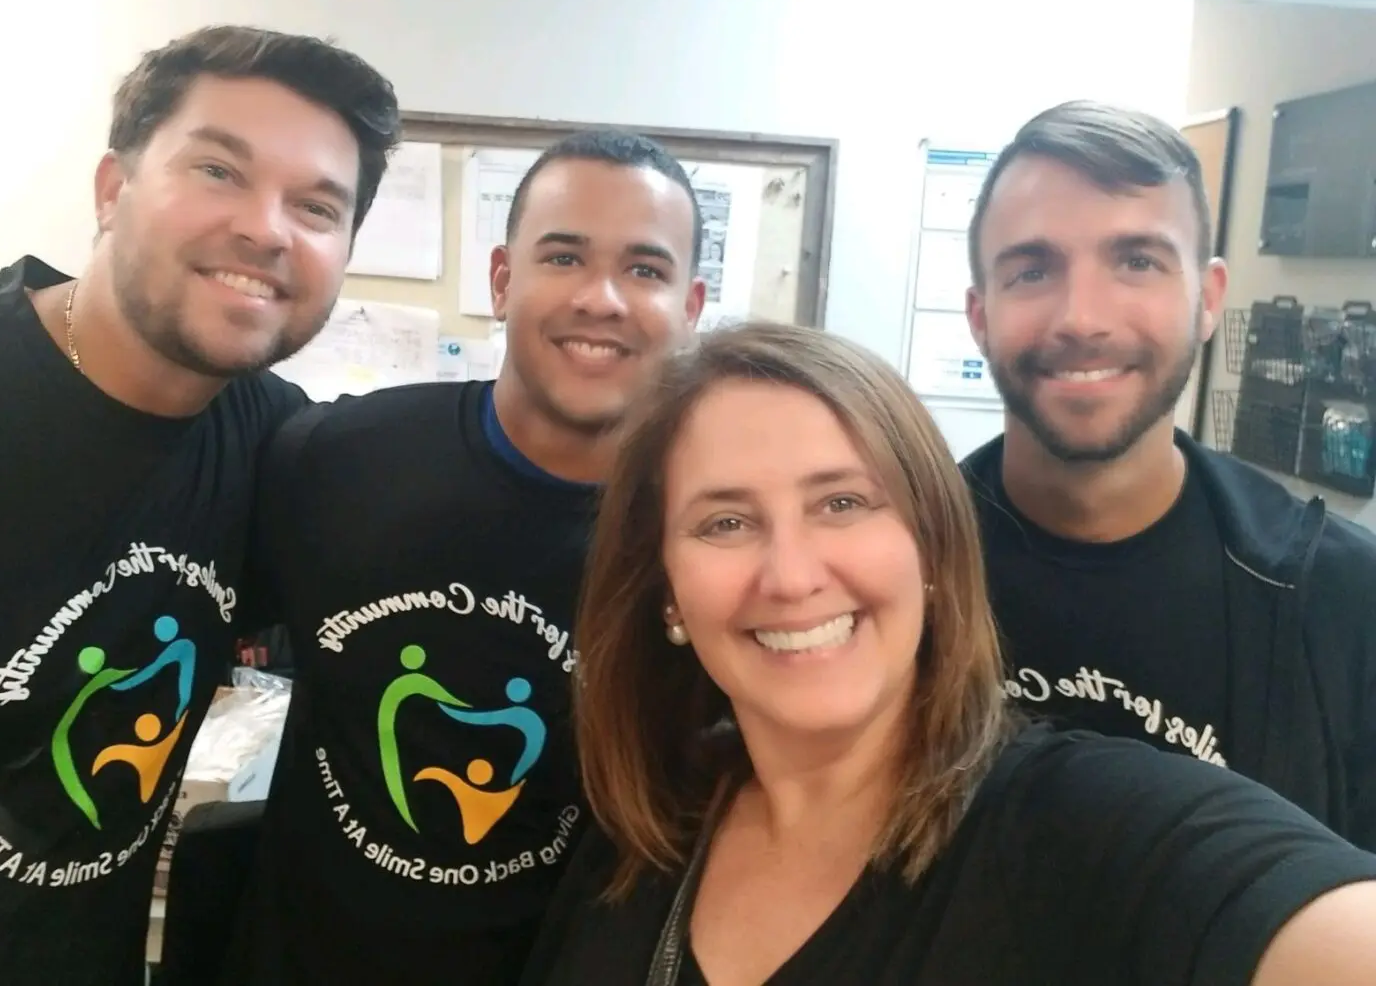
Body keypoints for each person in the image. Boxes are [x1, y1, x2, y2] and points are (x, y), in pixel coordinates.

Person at [517, 321, 1376, 986]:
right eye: (726, 523)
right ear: (667, 588)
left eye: (843, 503)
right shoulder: (643, 838)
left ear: (931, 549)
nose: (790, 575)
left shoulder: (1082, 826)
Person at [0, 24, 401, 985]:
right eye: (220, 171)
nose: (268, 229)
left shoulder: (280, 446)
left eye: (317, 206)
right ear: (113, 189)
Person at [221, 130, 707, 985]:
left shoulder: (709, 543)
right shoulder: (337, 458)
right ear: (501, 279)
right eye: (562, 256)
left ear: (691, 307)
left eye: (645, 270)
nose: (601, 298)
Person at [959, 101, 1376, 849]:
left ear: (1208, 299)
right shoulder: (896, 568)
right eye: (1032, 269)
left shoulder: (1342, 600)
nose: (1082, 317)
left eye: (1137, 261)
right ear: (980, 314)